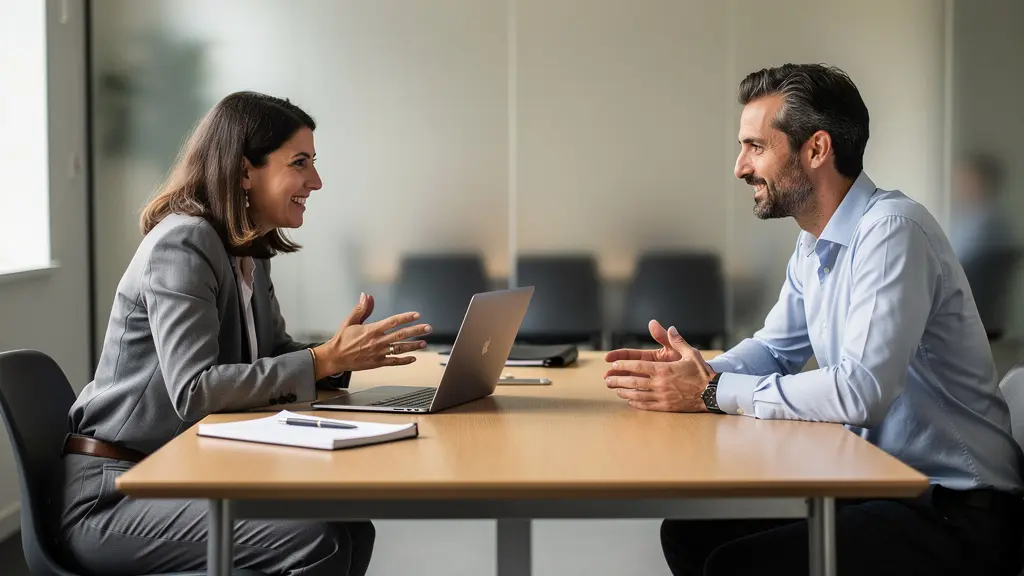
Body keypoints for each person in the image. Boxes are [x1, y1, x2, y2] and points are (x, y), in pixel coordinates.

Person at [603, 64, 1023, 575]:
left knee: (737, 565)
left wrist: (711, 392)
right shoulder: (816, 242)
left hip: (954, 510)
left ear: (816, 149)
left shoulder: (892, 231)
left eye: (756, 147)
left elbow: (861, 392)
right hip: (879, 485)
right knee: (690, 533)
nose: (740, 166)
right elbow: (775, 350)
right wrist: (695, 373)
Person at [59, 91, 432, 575]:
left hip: (177, 473)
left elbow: (272, 354)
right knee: (317, 543)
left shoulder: (246, 250)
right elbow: (195, 391)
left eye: (313, 163)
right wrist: (323, 360)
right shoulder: (184, 242)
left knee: (351, 528)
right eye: (300, 163)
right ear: (242, 172)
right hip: (117, 492)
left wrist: (343, 358)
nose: (315, 181)